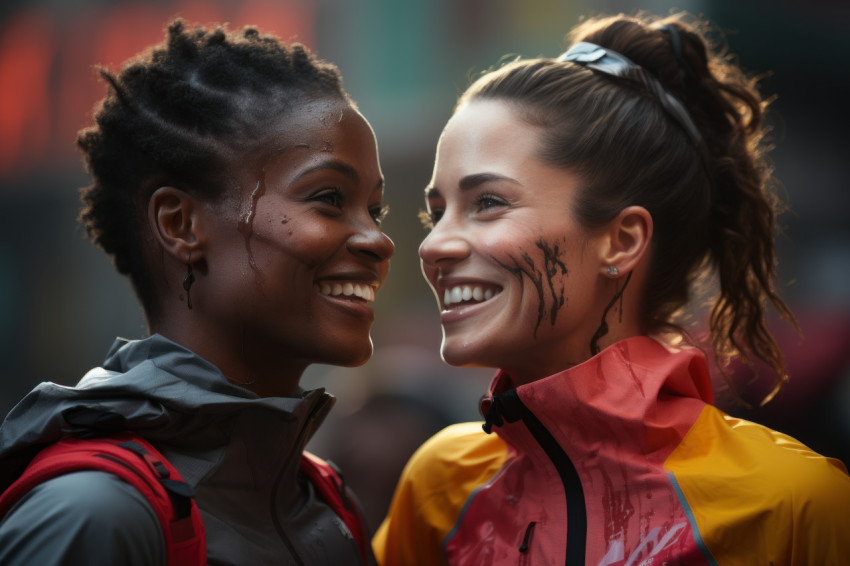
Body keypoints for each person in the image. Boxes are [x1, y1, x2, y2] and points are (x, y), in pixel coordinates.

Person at [373, 12, 850, 566]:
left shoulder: (793, 505)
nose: (434, 247)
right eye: (437, 214)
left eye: (488, 203)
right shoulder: (438, 488)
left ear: (621, 241)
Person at [0, 19, 393, 565]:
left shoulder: (325, 501)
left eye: (375, 209)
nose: (379, 239)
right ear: (180, 225)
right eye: (328, 198)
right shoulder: (94, 513)